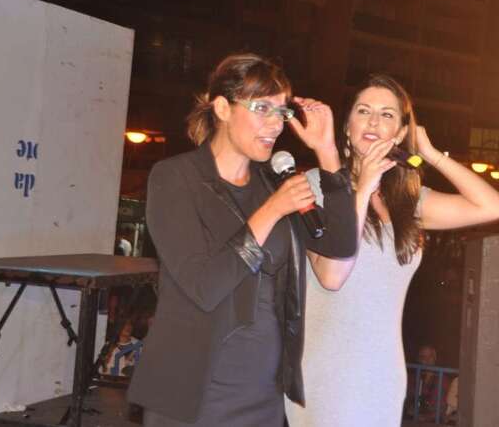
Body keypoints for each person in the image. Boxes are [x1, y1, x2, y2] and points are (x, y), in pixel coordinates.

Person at [127, 54, 357, 426]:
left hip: (263, 393)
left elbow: (340, 247)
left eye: (281, 112)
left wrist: (328, 152)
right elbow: (204, 286)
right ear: (222, 108)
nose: (276, 124)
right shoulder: (176, 178)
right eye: (262, 108)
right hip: (193, 393)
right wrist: (272, 210)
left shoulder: (272, 181)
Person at [285, 74, 499, 427]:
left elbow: (493, 207)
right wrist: (363, 189)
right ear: (347, 127)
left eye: (387, 114)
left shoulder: (407, 201)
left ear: (401, 133)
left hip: (384, 373)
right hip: (328, 370)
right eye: (363, 111)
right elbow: (330, 274)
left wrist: (431, 155)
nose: (374, 121)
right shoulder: (314, 185)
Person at [405, 345, 451, 423]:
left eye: (430, 356)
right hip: (412, 419)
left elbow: (441, 408)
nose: (427, 360)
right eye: (423, 357)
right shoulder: (412, 378)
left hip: (433, 421)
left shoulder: (442, 379)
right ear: (418, 359)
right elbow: (406, 400)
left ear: (435, 358)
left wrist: (425, 417)